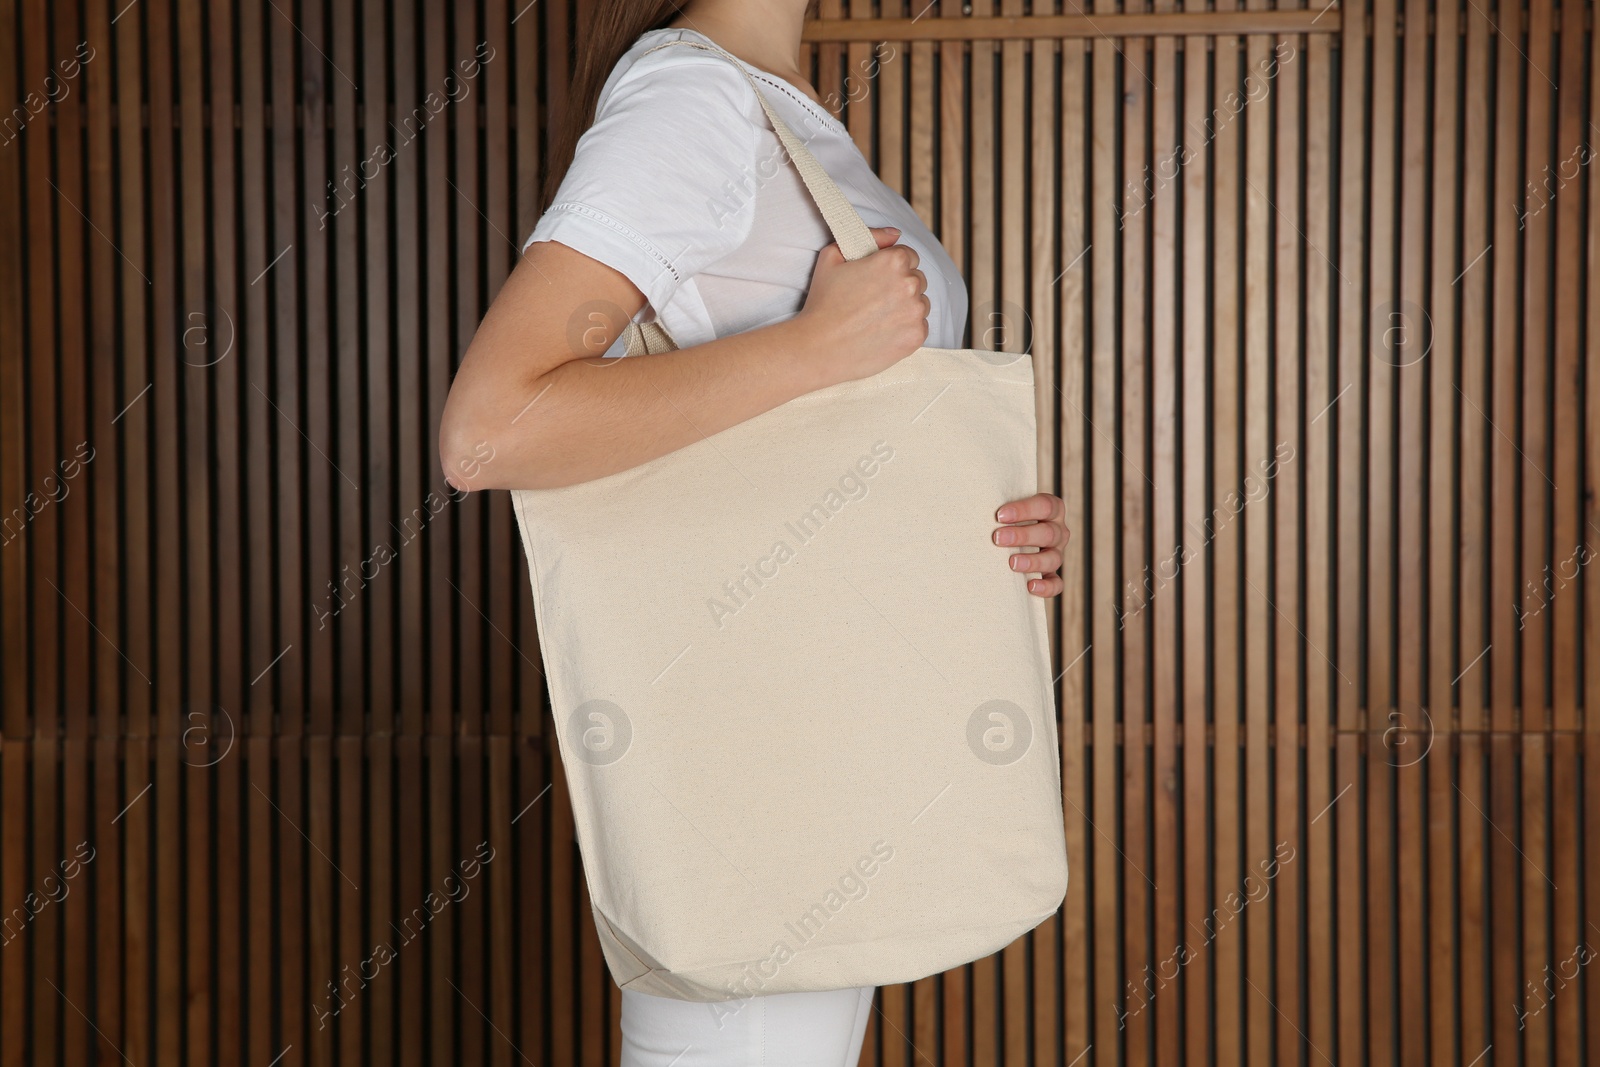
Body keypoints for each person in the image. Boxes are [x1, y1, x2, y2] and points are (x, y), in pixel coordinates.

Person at [438, 1, 1069, 1062]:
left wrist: (984, 523)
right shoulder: (692, 101)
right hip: (766, 769)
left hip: (834, 747)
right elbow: (490, 430)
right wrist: (817, 348)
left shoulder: (774, 107)